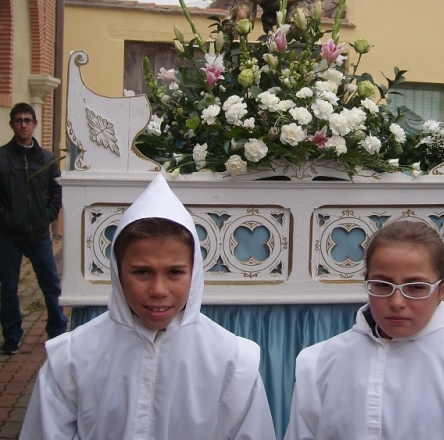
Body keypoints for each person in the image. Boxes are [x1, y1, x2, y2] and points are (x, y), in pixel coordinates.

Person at [20, 174, 277, 440]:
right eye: (142, 272)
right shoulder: (72, 359)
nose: (158, 290)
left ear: (195, 273)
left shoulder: (231, 362)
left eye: (175, 272)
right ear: (118, 273)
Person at [284, 219, 444, 440]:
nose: (397, 302)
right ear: (366, 280)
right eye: (382, 285)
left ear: (443, 289)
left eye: (415, 287)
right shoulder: (321, 364)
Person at [0, 103, 67, 355]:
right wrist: (8, 220)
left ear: (35, 124)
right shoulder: (2, 158)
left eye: (28, 120)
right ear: (12, 125)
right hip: (8, 236)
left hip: (39, 235)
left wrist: (47, 217)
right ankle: (12, 334)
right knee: (8, 288)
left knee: (50, 284)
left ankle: (58, 330)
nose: (23, 125)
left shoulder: (47, 159)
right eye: (18, 121)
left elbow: (56, 191)